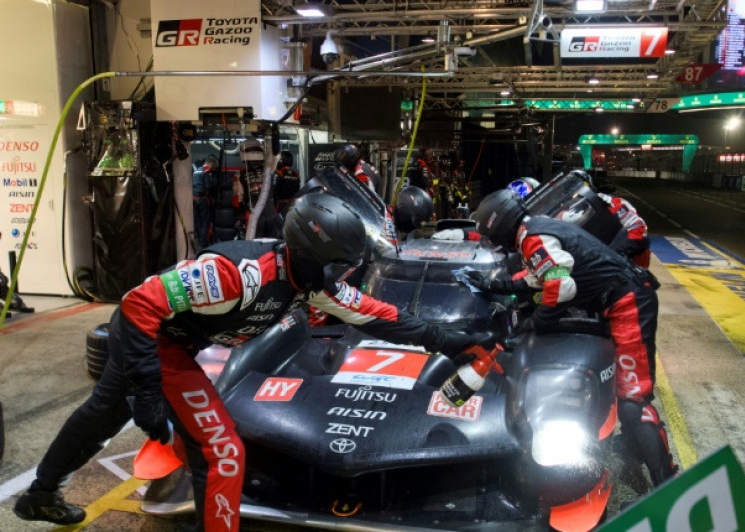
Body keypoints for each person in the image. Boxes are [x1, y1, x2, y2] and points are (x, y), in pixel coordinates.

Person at [13, 193, 483, 531]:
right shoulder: (238, 276)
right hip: (151, 335)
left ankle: (39, 496)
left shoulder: (308, 281)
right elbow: (138, 304)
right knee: (222, 451)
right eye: (337, 263)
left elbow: (376, 314)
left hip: (169, 338)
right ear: (310, 253)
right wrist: (149, 387)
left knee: (100, 415)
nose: (343, 274)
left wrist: (445, 340)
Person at [466, 189, 677, 487]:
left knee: (633, 400)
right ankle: (635, 447)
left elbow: (561, 287)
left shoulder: (533, 237)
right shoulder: (536, 228)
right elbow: (538, 277)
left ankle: (667, 482)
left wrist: (537, 322)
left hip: (627, 302)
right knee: (626, 396)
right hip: (620, 297)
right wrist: (492, 284)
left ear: (499, 226)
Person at [192, 155, 220, 248]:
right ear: (211, 163)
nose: (214, 168)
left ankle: (199, 241)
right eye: (214, 166)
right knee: (205, 221)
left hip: (193, 199)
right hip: (202, 199)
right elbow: (209, 186)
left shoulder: (196, 170)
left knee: (198, 221)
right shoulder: (206, 171)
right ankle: (203, 243)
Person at [272, 150, 301, 219]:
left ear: (281, 161)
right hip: (292, 205)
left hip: (280, 205)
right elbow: (297, 192)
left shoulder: (278, 174)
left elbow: (274, 192)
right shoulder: (296, 175)